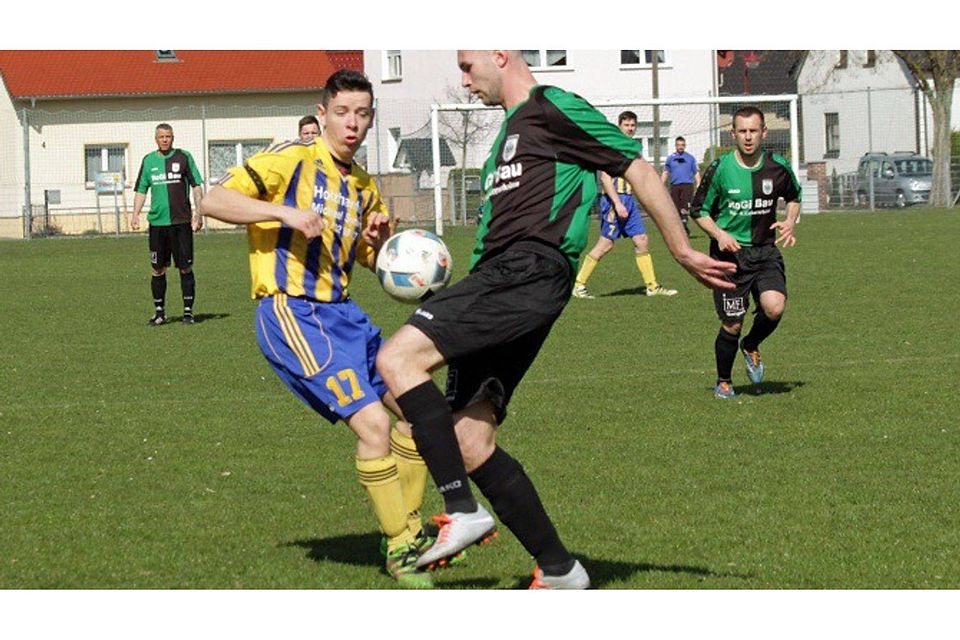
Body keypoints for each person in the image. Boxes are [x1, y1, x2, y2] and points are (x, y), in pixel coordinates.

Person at [376, 50, 736, 589]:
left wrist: (681, 249)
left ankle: (461, 508)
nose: (464, 78)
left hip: (529, 269)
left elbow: (634, 165)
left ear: (501, 55)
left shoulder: (552, 107)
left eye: (469, 64)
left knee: (396, 358)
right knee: (469, 441)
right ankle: (560, 570)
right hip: (503, 278)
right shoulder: (505, 136)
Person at [199, 70, 436, 589]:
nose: (353, 123)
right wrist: (284, 213)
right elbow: (213, 201)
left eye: (363, 114)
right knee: (374, 426)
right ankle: (401, 548)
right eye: (344, 112)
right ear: (323, 113)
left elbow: (372, 262)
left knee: (422, 411)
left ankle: (412, 528)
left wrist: (383, 245)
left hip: (345, 314)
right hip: (293, 312)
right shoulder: (293, 159)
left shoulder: (364, 186)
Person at [689, 106, 801, 399]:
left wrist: (789, 220)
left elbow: (794, 196)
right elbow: (698, 210)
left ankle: (750, 345)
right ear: (733, 134)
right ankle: (724, 381)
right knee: (732, 322)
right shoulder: (720, 169)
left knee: (775, 307)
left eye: (754, 131)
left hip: (765, 251)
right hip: (729, 259)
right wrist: (719, 234)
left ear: (764, 132)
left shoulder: (778, 166)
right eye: (742, 131)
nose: (748, 137)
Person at [572, 110, 677, 299]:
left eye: (632, 125)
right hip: (615, 201)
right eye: (626, 125)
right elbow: (604, 177)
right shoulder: (613, 146)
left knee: (642, 241)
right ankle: (578, 285)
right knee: (605, 245)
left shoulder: (632, 148)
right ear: (619, 125)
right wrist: (618, 203)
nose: (630, 128)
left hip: (629, 200)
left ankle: (652, 286)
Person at [131, 124, 204, 325]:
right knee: (157, 269)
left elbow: (197, 186)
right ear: (156, 139)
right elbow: (141, 189)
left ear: (173, 138)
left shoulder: (184, 157)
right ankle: (160, 312)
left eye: (168, 136)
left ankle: (188, 312)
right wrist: (135, 214)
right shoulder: (148, 160)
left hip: (181, 223)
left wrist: (199, 213)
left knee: (185, 267)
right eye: (161, 136)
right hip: (157, 224)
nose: (165, 140)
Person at [662, 136, 701, 237]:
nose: (680, 147)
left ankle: (683, 225)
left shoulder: (690, 158)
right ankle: (684, 229)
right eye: (678, 145)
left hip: (687, 185)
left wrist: (699, 184)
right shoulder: (670, 158)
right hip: (675, 186)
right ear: (675, 146)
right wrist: (660, 184)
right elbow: (666, 172)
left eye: (682, 145)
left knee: (684, 207)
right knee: (675, 209)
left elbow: (696, 172)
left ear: (685, 146)